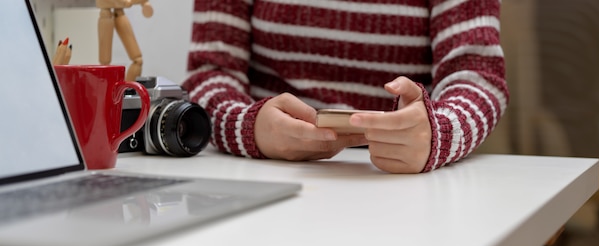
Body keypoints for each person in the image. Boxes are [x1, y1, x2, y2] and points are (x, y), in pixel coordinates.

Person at [182, 0, 508, 174]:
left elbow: (477, 77)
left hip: (404, 189)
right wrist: (247, 127)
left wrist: (439, 133)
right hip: (269, 176)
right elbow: (210, 73)